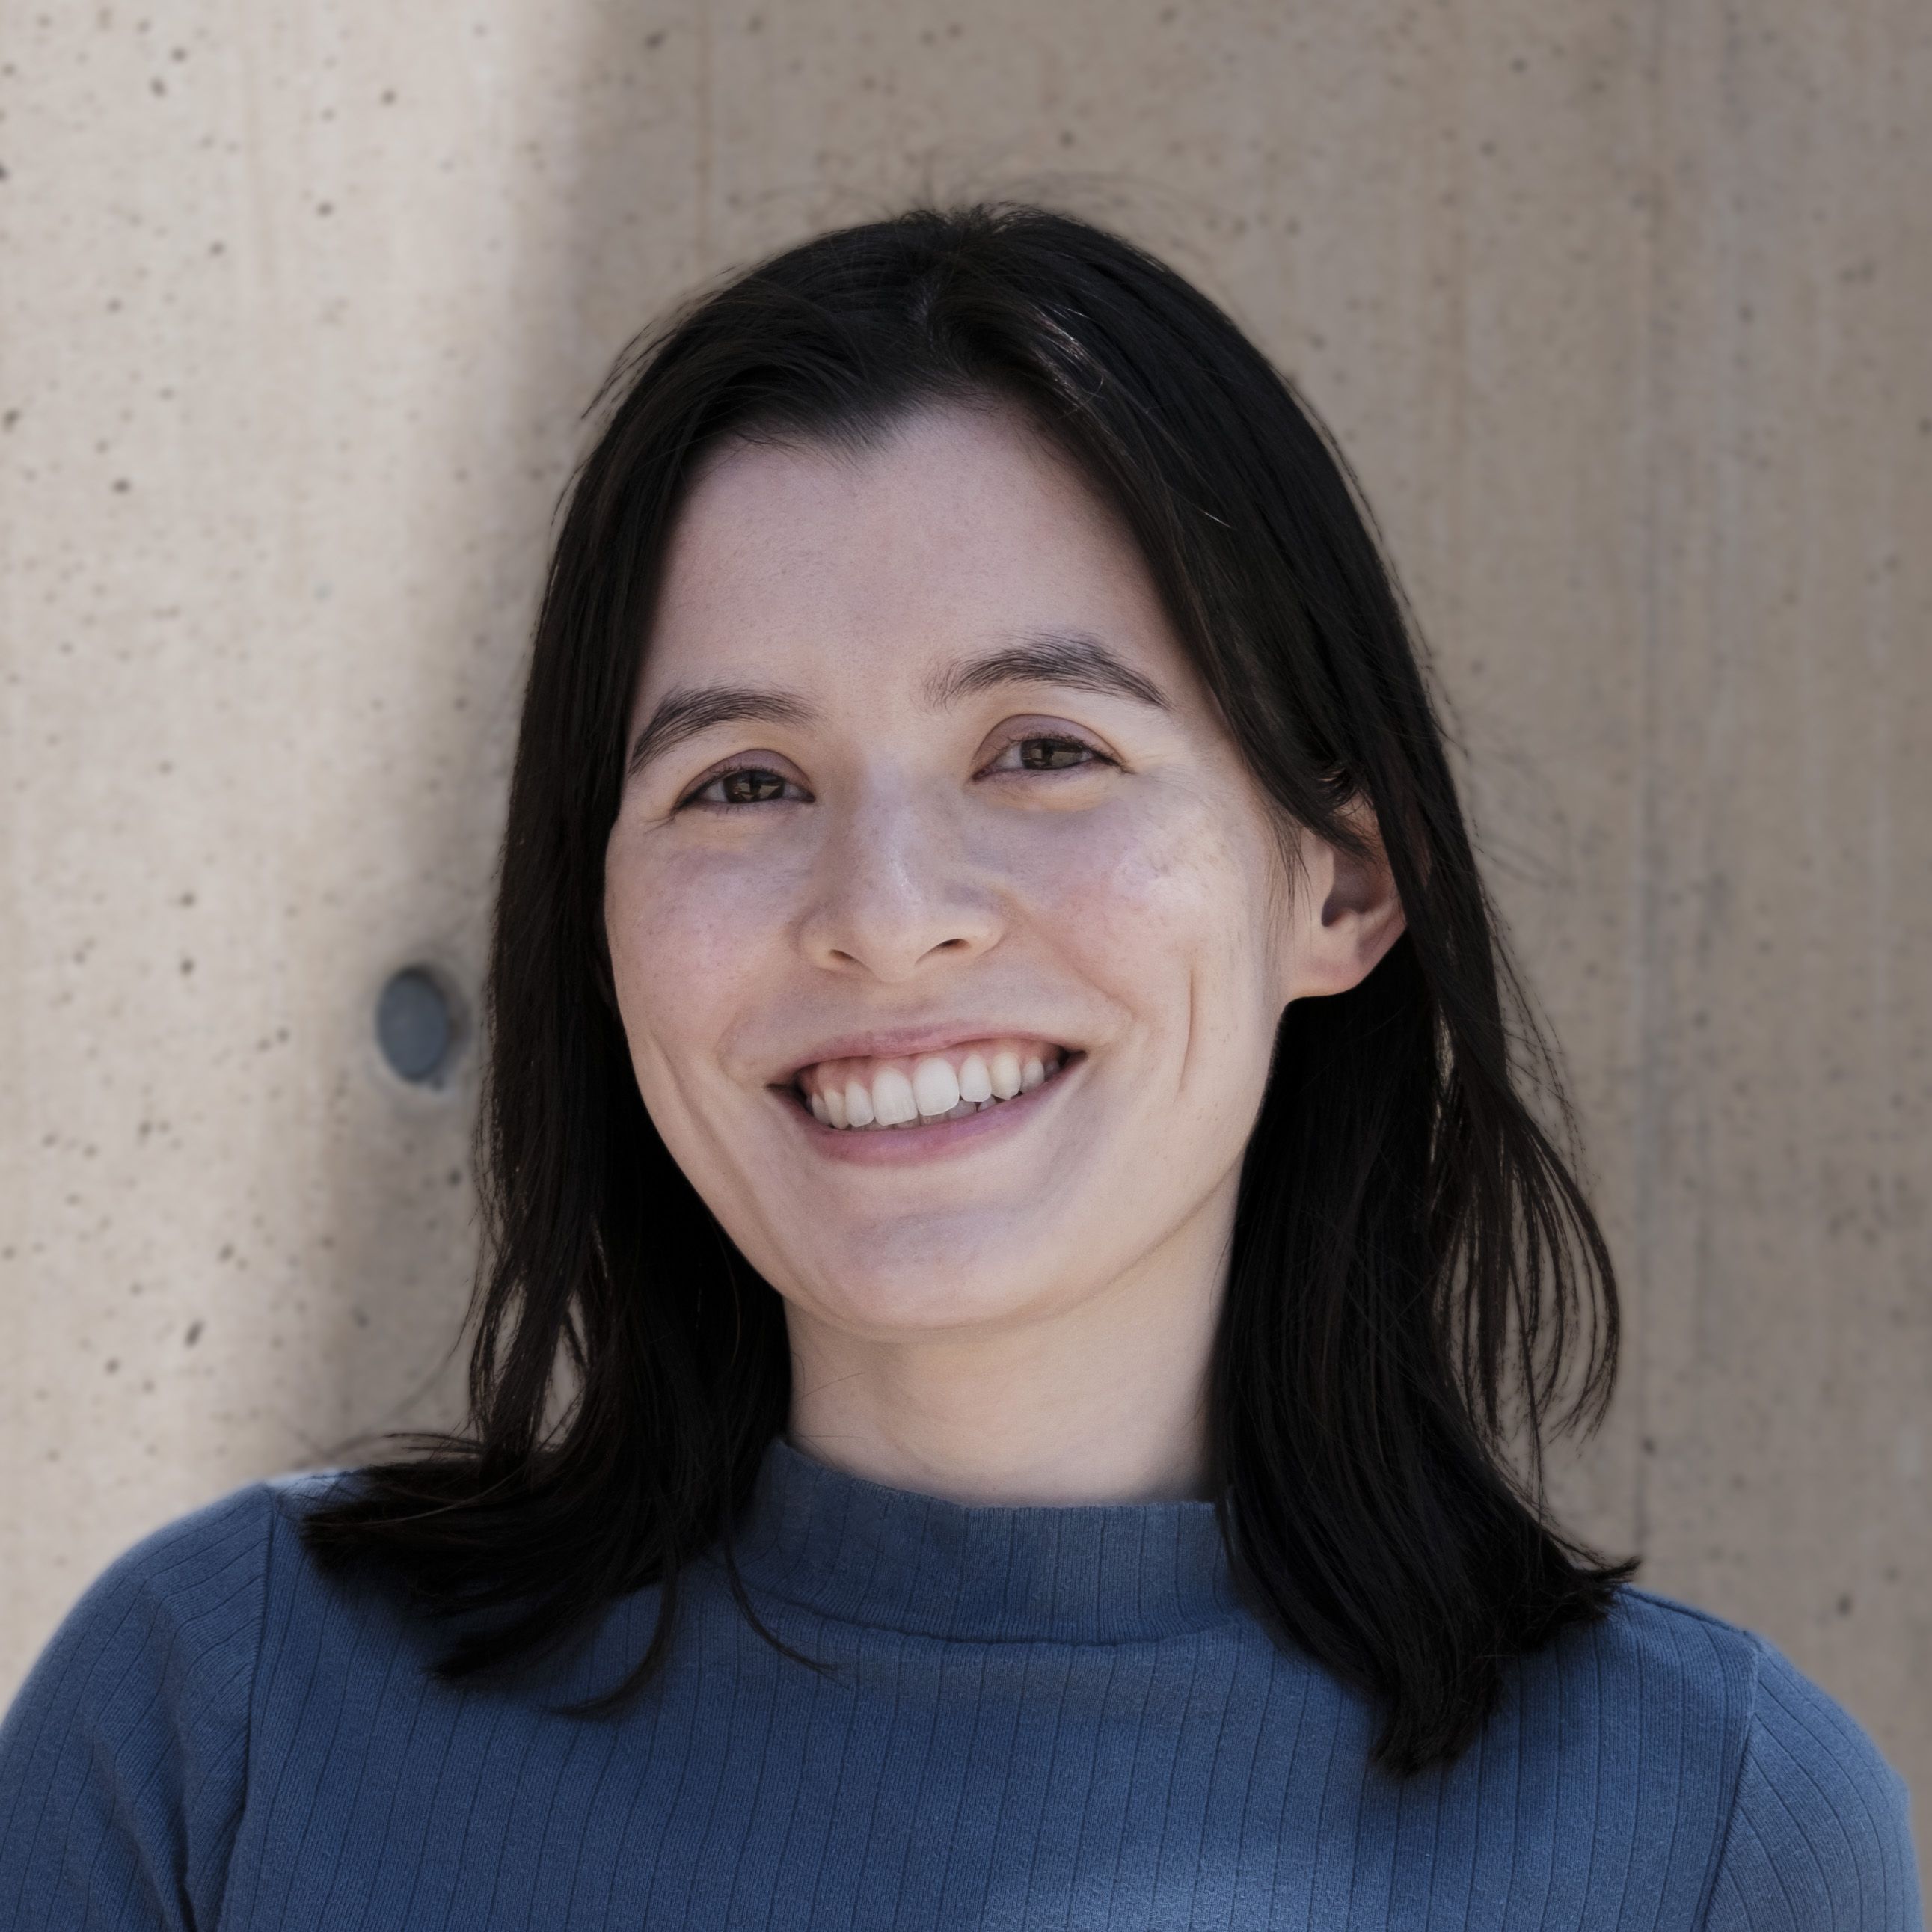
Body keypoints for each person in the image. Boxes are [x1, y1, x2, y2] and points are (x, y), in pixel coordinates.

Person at [0, 203, 1919, 1931]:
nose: (885, 911)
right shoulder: (224, 1724)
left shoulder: (1711, 1843)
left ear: (1339, 878)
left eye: (1041, 747)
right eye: (739, 781)